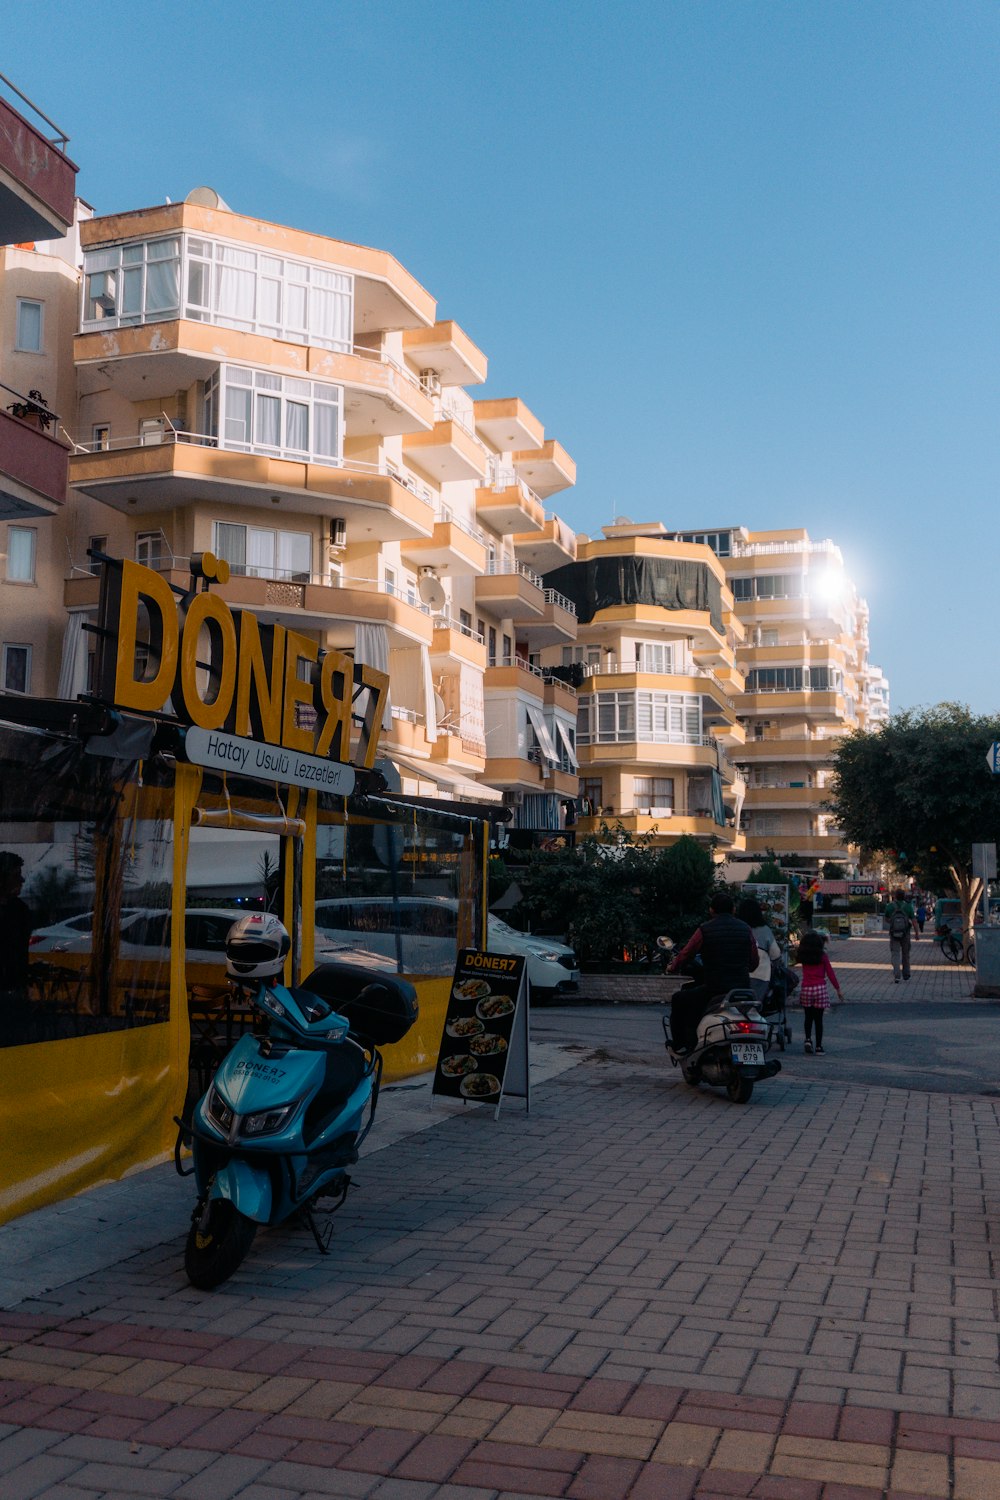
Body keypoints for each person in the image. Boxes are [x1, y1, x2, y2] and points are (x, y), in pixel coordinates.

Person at [666, 891, 759, 1052]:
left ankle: (680, 1043)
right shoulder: (746, 929)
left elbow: (686, 954)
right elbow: (754, 961)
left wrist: (672, 967)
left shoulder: (705, 930)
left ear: (711, 910)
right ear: (733, 910)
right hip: (742, 988)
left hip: (715, 988)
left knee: (679, 999)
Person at [0, 851, 34, 1046]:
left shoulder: (20, 911)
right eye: (15, 875)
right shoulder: (19, 911)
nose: (21, 880)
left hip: (15, 989)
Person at [795, 929, 842, 1054]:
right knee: (819, 1019)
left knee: (808, 1017)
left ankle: (808, 1039)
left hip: (806, 989)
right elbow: (830, 974)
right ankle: (819, 1047)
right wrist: (838, 989)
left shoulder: (803, 957)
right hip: (820, 989)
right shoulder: (823, 957)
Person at [737, 895, 781, 1003]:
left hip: (737, 975)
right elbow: (775, 954)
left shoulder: (737, 928)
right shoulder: (765, 930)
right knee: (755, 1006)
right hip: (761, 976)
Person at [884, 886, 918, 982]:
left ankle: (897, 975)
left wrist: (893, 923)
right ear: (904, 897)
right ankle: (906, 974)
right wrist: (917, 933)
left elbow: (886, 919)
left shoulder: (890, 906)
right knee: (905, 954)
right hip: (905, 933)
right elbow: (914, 921)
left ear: (895, 896)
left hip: (894, 934)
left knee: (895, 954)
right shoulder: (908, 906)